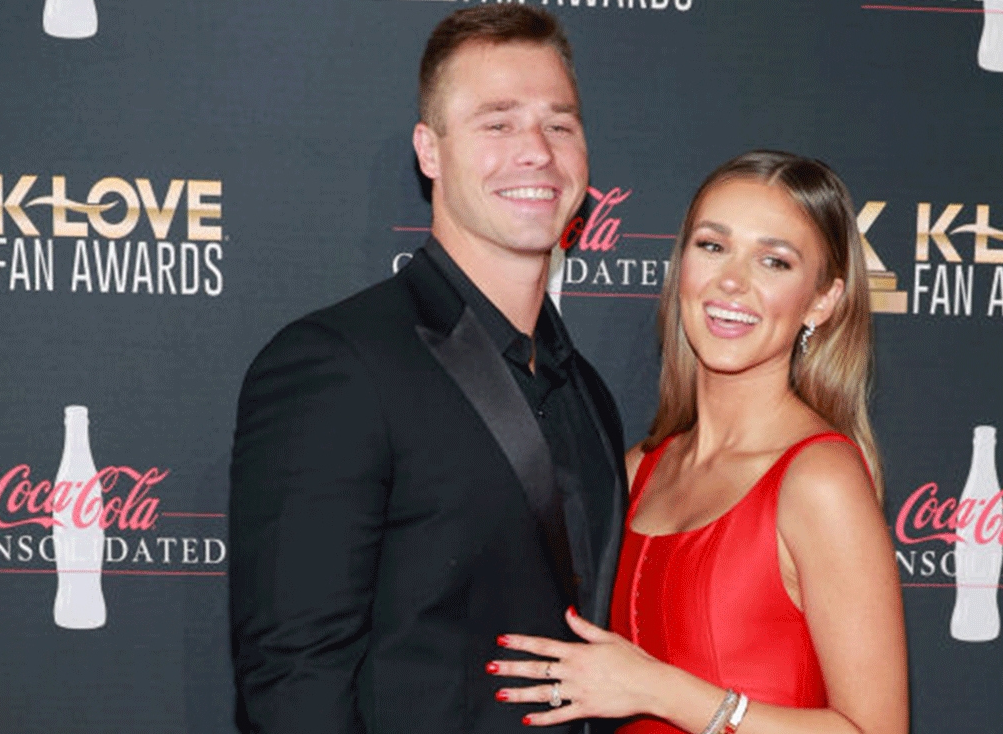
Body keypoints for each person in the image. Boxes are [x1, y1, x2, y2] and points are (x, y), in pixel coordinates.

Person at [229, 6, 626, 734]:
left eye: (560, 124)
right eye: (497, 122)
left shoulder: (589, 393)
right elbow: (295, 681)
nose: (536, 151)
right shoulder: (336, 364)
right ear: (430, 150)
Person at [488, 151, 909, 734]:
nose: (731, 281)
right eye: (712, 246)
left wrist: (661, 690)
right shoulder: (636, 471)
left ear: (823, 301)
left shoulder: (819, 479)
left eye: (774, 261)